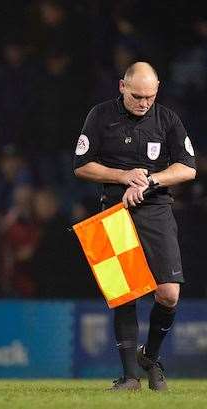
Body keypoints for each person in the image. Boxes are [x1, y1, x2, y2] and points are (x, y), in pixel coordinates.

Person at [73, 62, 196, 391]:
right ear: (121, 87)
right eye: (137, 96)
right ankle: (129, 377)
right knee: (123, 295)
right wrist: (122, 176)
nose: (144, 103)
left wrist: (150, 181)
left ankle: (150, 356)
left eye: (150, 97)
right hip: (113, 209)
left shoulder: (167, 118)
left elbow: (188, 169)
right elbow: (81, 166)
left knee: (169, 293)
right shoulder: (100, 116)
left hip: (155, 208)